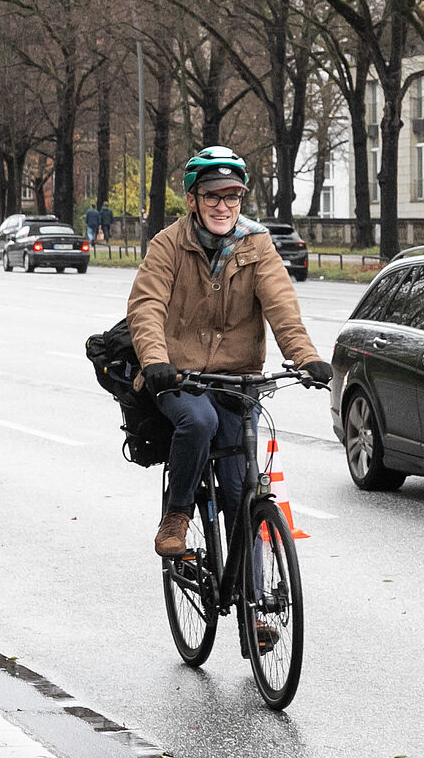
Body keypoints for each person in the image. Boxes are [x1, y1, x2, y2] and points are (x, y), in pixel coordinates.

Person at [125, 146, 332, 559]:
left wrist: (305, 356)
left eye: (232, 196)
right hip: (179, 375)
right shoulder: (168, 245)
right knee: (198, 422)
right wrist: (155, 362)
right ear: (193, 199)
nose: (223, 206)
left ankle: (256, 608)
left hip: (238, 380)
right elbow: (146, 308)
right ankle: (177, 514)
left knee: (242, 493)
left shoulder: (257, 245)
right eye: (213, 196)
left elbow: (282, 307)